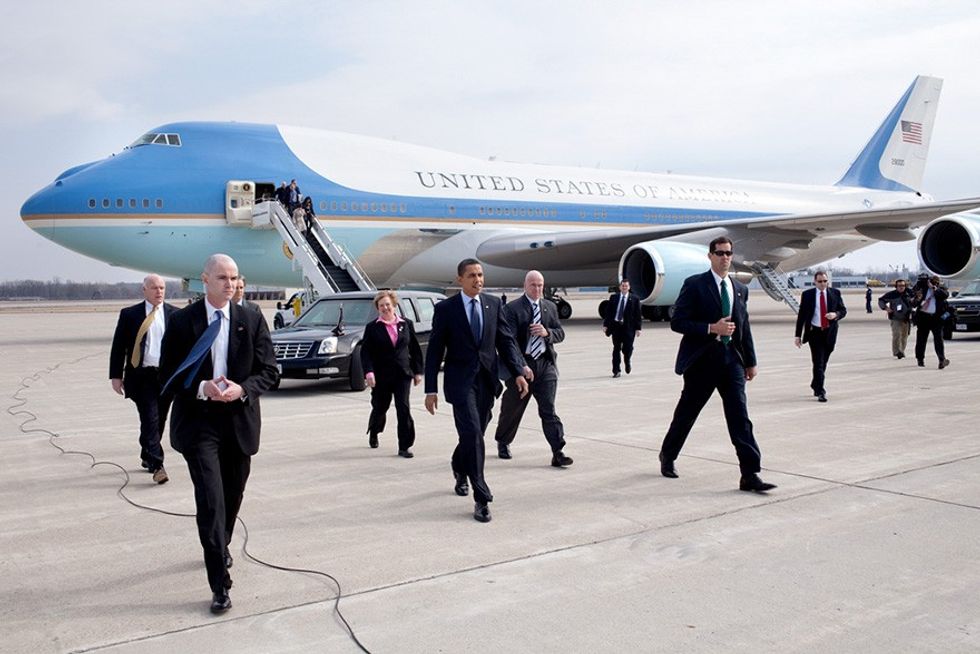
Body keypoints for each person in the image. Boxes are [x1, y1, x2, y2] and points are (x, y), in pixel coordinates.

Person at [159, 254, 278, 614]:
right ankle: (219, 585)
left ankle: (220, 544)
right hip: (199, 422)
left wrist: (242, 389)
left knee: (231, 495)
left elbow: (269, 371)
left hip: (239, 419)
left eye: (234, 278)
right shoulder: (182, 322)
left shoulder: (251, 318)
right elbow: (169, 376)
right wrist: (203, 387)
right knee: (210, 501)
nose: (229, 284)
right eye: (222, 278)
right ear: (204, 280)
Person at [658, 236, 776, 493]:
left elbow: (743, 327)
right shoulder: (695, 285)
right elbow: (678, 322)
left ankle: (750, 474)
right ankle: (668, 455)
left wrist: (751, 361)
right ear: (710, 256)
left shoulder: (739, 289)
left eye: (728, 254)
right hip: (701, 362)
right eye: (720, 253)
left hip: (731, 361)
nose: (725, 258)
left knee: (740, 419)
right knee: (686, 414)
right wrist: (712, 328)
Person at [424, 259, 529, 523]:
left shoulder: (493, 304)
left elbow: (505, 341)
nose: (478, 280)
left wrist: (517, 371)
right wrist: (430, 389)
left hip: (486, 381)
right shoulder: (447, 309)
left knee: (476, 434)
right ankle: (481, 497)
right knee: (472, 432)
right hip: (460, 382)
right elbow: (435, 349)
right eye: (472, 275)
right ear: (460, 279)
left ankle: (459, 467)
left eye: (480, 275)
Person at [493, 271, 573, 467]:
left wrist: (548, 334)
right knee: (512, 408)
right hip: (521, 365)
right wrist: (521, 366)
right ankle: (503, 441)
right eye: (533, 285)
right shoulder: (512, 309)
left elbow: (560, 333)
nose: (537, 289)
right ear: (525, 286)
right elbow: (508, 342)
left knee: (548, 410)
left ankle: (558, 451)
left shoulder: (550, 307)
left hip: (545, 365)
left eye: (540, 285)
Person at [109, 274, 178, 484]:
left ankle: (147, 454)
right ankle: (158, 465)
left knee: (159, 420)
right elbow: (119, 346)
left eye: (162, 288)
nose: (159, 292)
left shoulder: (175, 314)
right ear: (144, 290)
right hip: (142, 376)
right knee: (150, 418)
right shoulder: (130, 314)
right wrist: (115, 376)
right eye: (155, 288)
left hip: (165, 376)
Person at [361, 290, 423, 458]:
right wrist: (369, 372)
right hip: (381, 376)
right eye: (381, 306)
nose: (385, 308)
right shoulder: (373, 327)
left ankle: (404, 446)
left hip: (403, 374)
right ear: (378, 308)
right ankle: (374, 431)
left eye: (388, 304)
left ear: (394, 306)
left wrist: (418, 372)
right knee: (380, 407)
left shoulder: (406, 324)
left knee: (403, 408)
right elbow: (365, 352)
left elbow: (415, 349)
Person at [794, 271, 847, 402]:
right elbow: (801, 316)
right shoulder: (808, 295)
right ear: (815, 282)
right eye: (820, 281)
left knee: (824, 362)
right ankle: (820, 391)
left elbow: (843, 310)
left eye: (825, 281)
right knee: (818, 362)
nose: (823, 284)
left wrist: (835, 315)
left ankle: (815, 383)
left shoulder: (835, 293)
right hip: (814, 332)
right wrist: (797, 335)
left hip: (830, 332)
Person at [602, 278, 642, 377]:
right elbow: (609, 313)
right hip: (616, 326)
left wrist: (638, 328)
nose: (624, 287)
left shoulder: (635, 299)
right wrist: (606, 325)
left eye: (626, 286)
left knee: (627, 349)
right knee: (616, 349)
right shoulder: (614, 298)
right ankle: (616, 370)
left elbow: (638, 314)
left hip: (628, 328)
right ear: (620, 287)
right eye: (622, 286)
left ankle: (627, 360)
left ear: (629, 287)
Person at [911, 274, 950, 369]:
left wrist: (933, 288)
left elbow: (945, 295)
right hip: (923, 317)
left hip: (936, 319)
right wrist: (917, 294)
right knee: (921, 340)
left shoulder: (940, 288)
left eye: (934, 282)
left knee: (938, 340)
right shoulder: (921, 288)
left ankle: (942, 360)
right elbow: (914, 301)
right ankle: (920, 359)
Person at [878, 279, 914, 358]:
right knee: (897, 334)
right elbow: (881, 300)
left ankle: (901, 350)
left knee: (904, 336)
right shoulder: (892, 295)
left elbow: (917, 300)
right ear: (896, 287)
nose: (901, 287)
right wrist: (886, 308)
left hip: (906, 318)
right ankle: (897, 352)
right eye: (899, 286)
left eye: (903, 286)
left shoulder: (910, 293)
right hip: (895, 318)